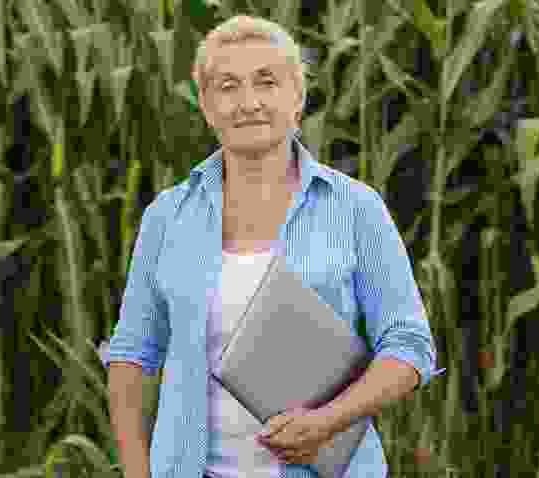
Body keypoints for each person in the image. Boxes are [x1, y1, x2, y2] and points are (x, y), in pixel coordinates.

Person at [102, 14, 442, 478]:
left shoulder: (356, 209)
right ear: (206, 105)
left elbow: (409, 346)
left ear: (297, 97)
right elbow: (130, 355)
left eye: (266, 82)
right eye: (228, 86)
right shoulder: (167, 216)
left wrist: (328, 421)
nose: (249, 103)